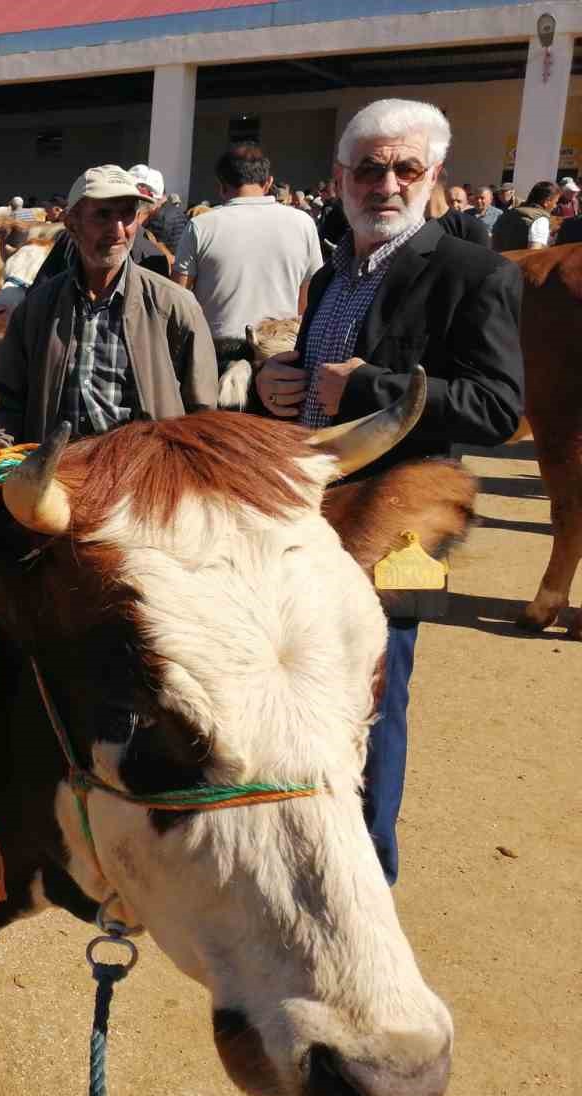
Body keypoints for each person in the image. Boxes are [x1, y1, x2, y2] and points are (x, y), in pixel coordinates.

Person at [254, 99, 522, 885]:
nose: (385, 183)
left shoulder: (477, 274)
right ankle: (299, 848)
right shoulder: (327, 274)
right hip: (307, 517)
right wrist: (270, 386)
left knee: (378, 691)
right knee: (299, 681)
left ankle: (366, 873)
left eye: (405, 167)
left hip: (401, 519)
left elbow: (499, 410)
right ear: (339, 179)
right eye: (368, 168)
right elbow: (311, 394)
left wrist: (371, 385)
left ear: (433, 176)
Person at [0, 164, 217, 443]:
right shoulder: (37, 308)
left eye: (127, 215)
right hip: (60, 476)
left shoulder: (174, 306)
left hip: (143, 476)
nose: (118, 230)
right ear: (72, 225)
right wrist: (2, 454)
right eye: (103, 215)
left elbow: (203, 412)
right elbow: (9, 403)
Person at [172, 141, 324, 337]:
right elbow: (309, 300)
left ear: (220, 186)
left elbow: (177, 299)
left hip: (214, 352)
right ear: (269, 183)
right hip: (280, 351)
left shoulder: (200, 226)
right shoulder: (304, 224)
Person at [491, 180, 560, 250]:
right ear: (546, 202)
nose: (555, 206)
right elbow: (533, 253)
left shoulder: (511, 213)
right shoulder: (540, 220)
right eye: (555, 202)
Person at [428, 183, 491, 248]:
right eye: (451, 201)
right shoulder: (437, 223)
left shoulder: (475, 226)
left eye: (459, 201)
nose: (455, 205)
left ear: (466, 202)